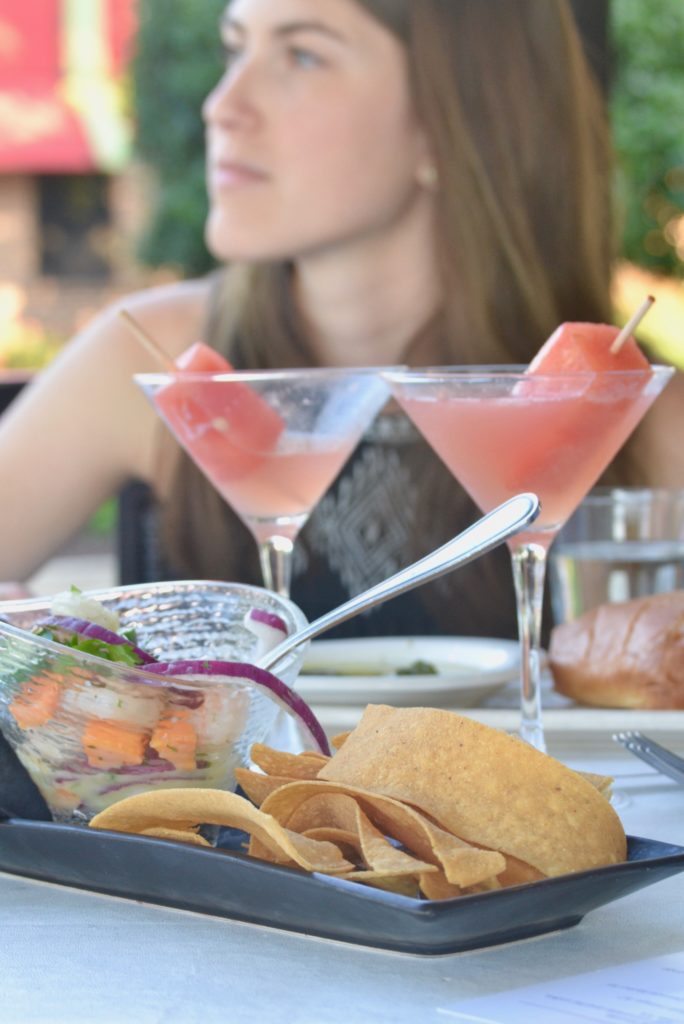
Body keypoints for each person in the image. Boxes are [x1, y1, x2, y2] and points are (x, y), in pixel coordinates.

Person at [0, 0, 681, 639]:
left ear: (451, 122)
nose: (221, 106)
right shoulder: (148, 353)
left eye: (302, 56)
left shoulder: (635, 410)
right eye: (234, 50)